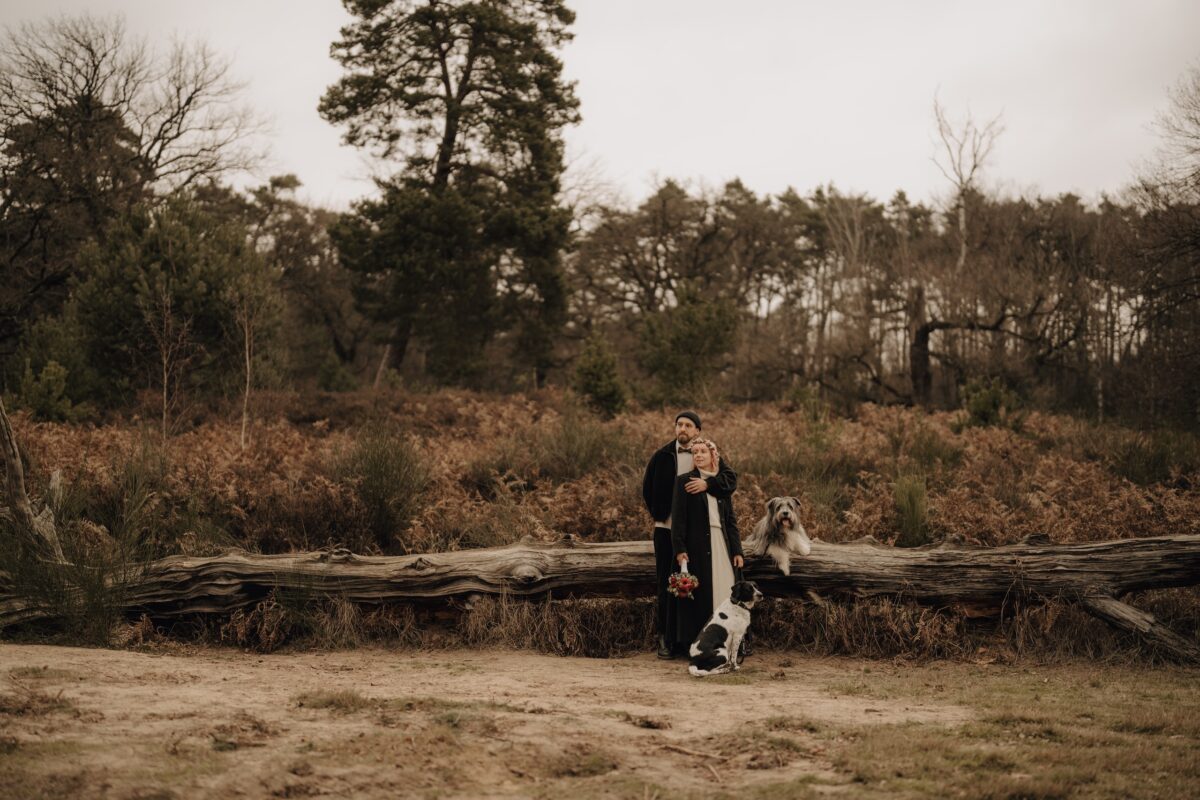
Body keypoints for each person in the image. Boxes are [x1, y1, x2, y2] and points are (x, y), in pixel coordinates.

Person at [642, 411, 736, 658]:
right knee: (667, 583)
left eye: (688, 425)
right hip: (666, 530)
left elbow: (729, 480)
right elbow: (647, 487)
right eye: (679, 424)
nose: (682, 428)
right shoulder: (662, 456)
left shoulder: (705, 452)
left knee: (696, 587)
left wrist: (708, 484)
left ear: (697, 431)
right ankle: (666, 638)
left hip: (697, 533)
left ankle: (695, 639)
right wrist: (660, 514)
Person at [670, 437, 744, 653]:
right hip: (697, 545)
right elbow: (679, 519)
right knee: (702, 596)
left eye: (703, 451)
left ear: (713, 456)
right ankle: (700, 645)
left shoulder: (721, 484)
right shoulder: (684, 481)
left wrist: (737, 549)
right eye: (695, 452)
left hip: (723, 543)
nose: (699, 455)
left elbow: (730, 520)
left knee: (726, 591)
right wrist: (680, 549)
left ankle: (729, 643)